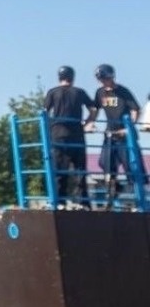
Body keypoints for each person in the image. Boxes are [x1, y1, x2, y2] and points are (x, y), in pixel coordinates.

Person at [84, 64, 140, 205]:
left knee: (130, 167)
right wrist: (89, 123)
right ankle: (115, 188)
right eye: (100, 79)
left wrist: (129, 127)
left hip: (124, 137)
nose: (103, 82)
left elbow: (135, 110)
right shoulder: (100, 92)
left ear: (111, 77)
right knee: (104, 162)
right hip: (110, 135)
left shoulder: (123, 92)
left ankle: (137, 200)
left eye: (105, 78)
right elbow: (95, 110)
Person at [43, 66, 96, 205]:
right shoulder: (79, 92)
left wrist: (48, 127)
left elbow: (44, 112)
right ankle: (83, 202)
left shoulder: (52, 92)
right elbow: (93, 109)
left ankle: (59, 201)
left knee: (60, 169)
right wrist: (88, 122)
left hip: (58, 134)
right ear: (72, 77)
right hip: (77, 133)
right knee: (80, 169)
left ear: (59, 77)